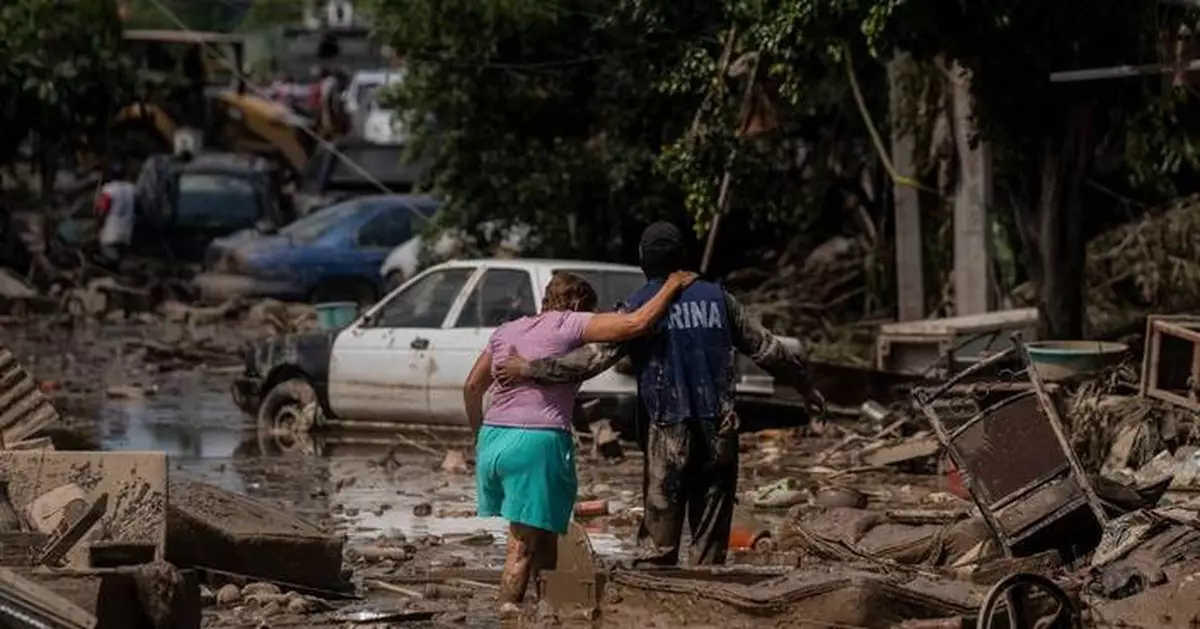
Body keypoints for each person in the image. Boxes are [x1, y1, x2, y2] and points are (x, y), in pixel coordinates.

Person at [495, 221, 827, 567]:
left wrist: (530, 368)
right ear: (682, 258)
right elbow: (767, 349)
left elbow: (590, 361)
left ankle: (657, 608)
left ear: (643, 260)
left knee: (658, 544)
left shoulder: (640, 307)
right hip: (720, 428)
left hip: (667, 431)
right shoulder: (720, 299)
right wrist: (806, 387)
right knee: (710, 538)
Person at [462, 269, 697, 612]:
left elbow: (471, 387)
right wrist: (672, 285)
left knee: (542, 528)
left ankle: (547, 606)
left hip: (494, 439)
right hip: (536, 442)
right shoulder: (569, 324)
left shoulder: (507, 329)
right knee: (522, 543)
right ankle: (508, 612)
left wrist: (479, 436)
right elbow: (636, 324)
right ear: (574, 303)